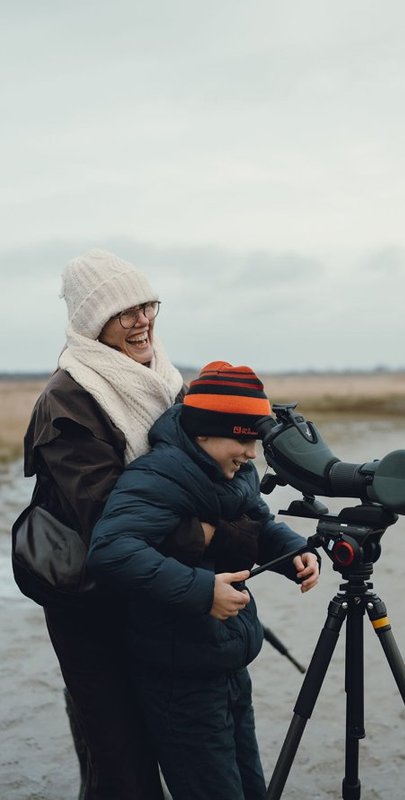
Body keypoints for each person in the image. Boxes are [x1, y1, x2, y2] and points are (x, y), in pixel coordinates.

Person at [87, 361, 320, 800]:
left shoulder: (234, 473)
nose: (253, 454)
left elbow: (259, 522)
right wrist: (201, 591)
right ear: (204, 432)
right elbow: (111, 550)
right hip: (179, 676)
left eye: (256, 440)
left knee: (251, 787)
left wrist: (296, 554)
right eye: (243, 439)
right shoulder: (158, 476)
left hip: (226, 660)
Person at [23, 248, 189, 800]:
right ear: (95, 323)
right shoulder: (67, 399)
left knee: (157, 744)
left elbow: (203, 476)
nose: (142, 320)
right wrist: (216, 537)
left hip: (150, 591)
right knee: (121, 760)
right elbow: (110, 516)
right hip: (87, 598)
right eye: (125, 312)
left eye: (147, 305)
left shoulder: (166, 381)